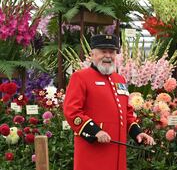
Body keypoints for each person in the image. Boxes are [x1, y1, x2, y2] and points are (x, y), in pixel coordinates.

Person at [64, 34, 155, 170]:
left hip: (118, 154)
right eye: (103, 51)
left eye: (112, 52)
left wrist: (137, 133)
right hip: (93, 152)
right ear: (92, 54)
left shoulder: (120, 79)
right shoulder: (80, 77)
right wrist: (96, 131)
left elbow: (126, 112)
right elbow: (72, 111)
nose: (108, 56)